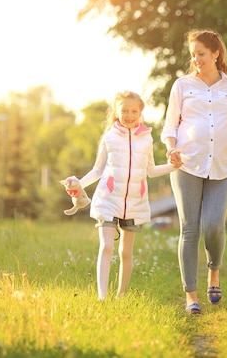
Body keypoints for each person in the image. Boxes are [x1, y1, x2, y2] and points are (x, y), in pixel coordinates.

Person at [161, 29, 227, 314]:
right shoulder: (182, 86)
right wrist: (171, 148)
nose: (196, 59)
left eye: (201, 54)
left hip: (223, 166)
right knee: (190, 229)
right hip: (186, 164)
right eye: (193, 55)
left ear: (215, 53)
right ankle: (191, 296)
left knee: (213, 226)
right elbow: (170, 126)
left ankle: (214, 272)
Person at [71, 91, 179, 300]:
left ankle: (121, 296)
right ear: (117, 112)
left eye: (133, 111)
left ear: (140, 113)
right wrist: (78, 184)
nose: (129, 115)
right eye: (124, 111)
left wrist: (173, 167)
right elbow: (97, 170)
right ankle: (102, 297)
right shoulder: (109, 137)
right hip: (108, 199)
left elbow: (151, 170)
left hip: (134, 202)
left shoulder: (146, 139)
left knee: (126, 253)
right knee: (107, 246)